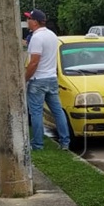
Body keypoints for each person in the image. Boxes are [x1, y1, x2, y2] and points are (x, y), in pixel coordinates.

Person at [24, 9, 70, 150]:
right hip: (51, 78)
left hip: (38, 79)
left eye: (29, 19)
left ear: (35, 22)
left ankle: (37, 144)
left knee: (36, 112)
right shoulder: (52, 35)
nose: (27, 21)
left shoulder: (37, 38)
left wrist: (25, 78)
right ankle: (65, 142)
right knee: (57, 111)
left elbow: (34, 62)